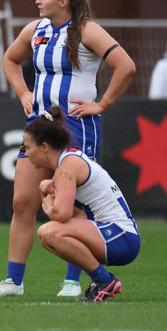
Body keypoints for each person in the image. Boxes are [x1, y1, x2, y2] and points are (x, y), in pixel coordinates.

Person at [0, 0, 136, 298]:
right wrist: (23, 92)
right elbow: (10, 59)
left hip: (77, 125)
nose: (37, 1)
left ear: (64, 1)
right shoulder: (34, 30)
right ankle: (13, 282)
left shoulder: (87, 30)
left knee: (75, 205)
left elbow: (126, 67)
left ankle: (72, 281)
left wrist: (102, 104)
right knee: (22, 202)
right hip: (40, 126)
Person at [24, 106, 140, 302]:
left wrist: (48, 204)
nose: (26, 153)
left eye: (27, 147)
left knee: (48, 232)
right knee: (47, 235)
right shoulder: (69, 160)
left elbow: (62, 215)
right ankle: (101, 281)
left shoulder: (66, 167)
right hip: (118, 235)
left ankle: (104, 281)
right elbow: (79, 209)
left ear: (44, 146)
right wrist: (53, 185)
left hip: (120, 237)